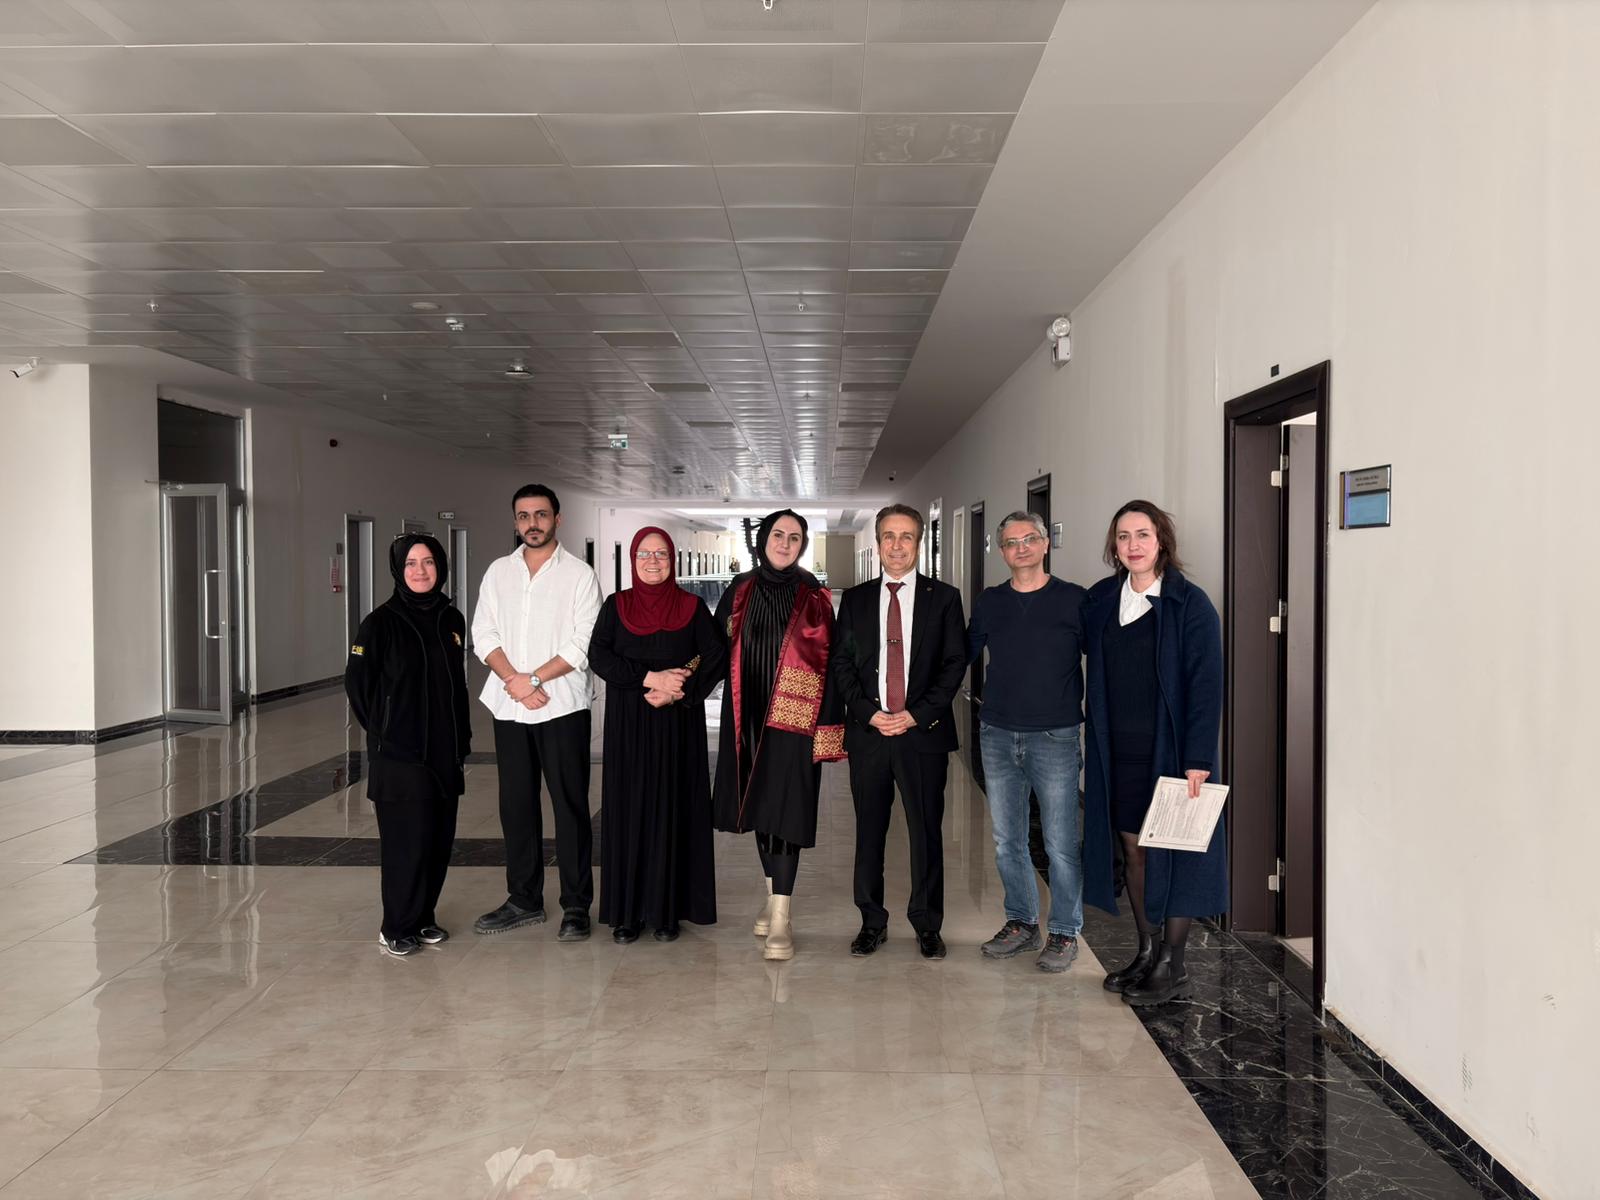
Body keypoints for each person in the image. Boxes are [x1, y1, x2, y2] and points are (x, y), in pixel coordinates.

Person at [1082, 500, 1224, 1005]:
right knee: (1135, 851)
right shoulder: (1102, 599)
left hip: (1174, 751)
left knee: (1175, 851)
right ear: (1114, 546)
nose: (1133, 545)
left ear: (1161, 539)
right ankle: (1146, 950)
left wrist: (1199, 758)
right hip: (1118, 750)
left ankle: (1172, 962)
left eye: (1143, 534)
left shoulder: (1190, 604)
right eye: (1123, 537)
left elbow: (1206, 685)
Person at [831, 503, 966, 959]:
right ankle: (871, 921)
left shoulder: (943, 598)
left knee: (925, 832)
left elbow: (954, 665)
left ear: (919, 543)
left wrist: (916, 714)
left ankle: (927, 924)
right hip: (869, 735)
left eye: (906, 536)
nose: (897, 545)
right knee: (869, 831)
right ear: (877, 543)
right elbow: (842, 663)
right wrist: (868, 713)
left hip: (922, 734)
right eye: (888, 536)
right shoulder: (856, 600)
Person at [470, 484, 603, 942]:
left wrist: (535, 679)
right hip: (510, 705)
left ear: (557, 519)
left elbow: (583, 641)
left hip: (561, 706)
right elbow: (484, 633)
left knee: (570, 806)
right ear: (515, 521)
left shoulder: (580, 575)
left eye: (541, 514)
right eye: (524, 515)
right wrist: (515, 680)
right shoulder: (498, 572)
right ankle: (523, 899)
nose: (533, 523)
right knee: (516, 806)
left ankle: (576, 905)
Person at [711, 509, 846, 961]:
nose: (785, 543)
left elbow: (833, 665)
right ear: (763, 540)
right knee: (759, 807)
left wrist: (826, 729)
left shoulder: (815, 595)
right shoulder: (739, 590)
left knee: (786, 812)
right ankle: (773, 901)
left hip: (795, 720)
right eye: (778, 535)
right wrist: (679, 683)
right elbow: (714, 648)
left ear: (802, 545)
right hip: (746, 716)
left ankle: (783, 916)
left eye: (794, 537)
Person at [588, 527, 728, 944]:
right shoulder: (616, 606)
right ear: (633, 560)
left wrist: (678, 690)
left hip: (677, 724)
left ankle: (668, 912)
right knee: (629, 809)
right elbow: (598, 655)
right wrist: (650, 678)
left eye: (661, 554)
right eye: (644, 555)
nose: (653, 562)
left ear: (672, 560)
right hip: (628, 725)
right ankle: (627, 913)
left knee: (673, 808)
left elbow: (717, 655)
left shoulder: (691, 606)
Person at [966, 511, 1089, 973]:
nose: (1021, 548)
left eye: (1029, 539)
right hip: (997, 733)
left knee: (1060, 843)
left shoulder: (1074, 600)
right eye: (1011, 542)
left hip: (1055, 736)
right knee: (1007, 841)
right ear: (1002, 551)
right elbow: (962, 652)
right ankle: (1021, 923)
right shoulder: (991, 601)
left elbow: (1105, 658)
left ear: (1044, 544)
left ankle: (1064, 931)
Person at [344, 534, 471, 958]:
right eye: (412, 563)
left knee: (437, 839)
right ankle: (396, 925)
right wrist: (386, 730)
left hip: (444, 749)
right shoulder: (379, 622)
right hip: (400, 753)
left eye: (429, 562)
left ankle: (422, 917)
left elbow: (456, 685)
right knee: (406, 843)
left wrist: (462, 739)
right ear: (398, 570)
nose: (420, 570)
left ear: (441, 568)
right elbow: (358, 684)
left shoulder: (451, 619)